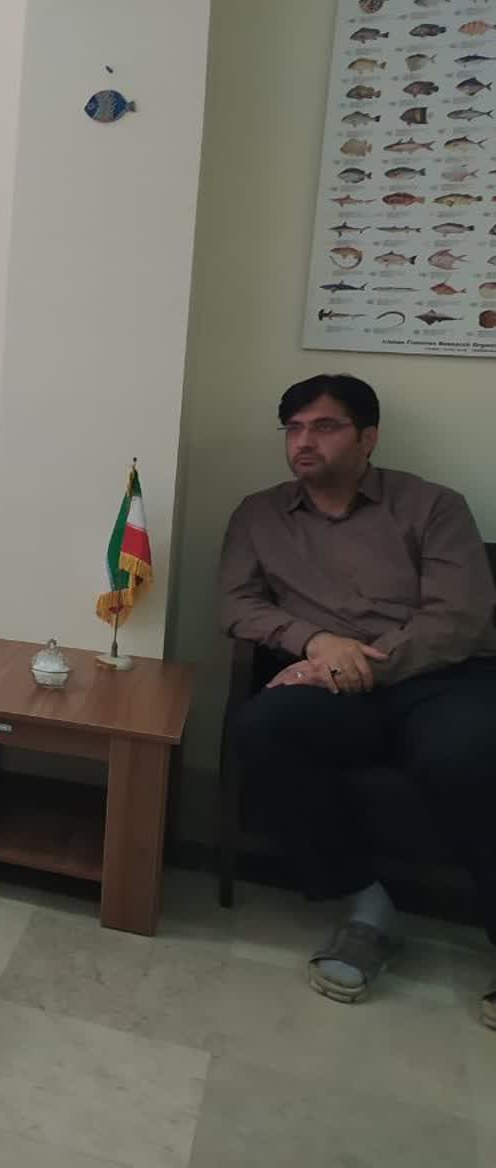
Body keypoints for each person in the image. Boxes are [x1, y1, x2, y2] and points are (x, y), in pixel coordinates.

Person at [220, 373, 496, 1027]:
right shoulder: (259, 514)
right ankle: (367, 907)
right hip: (331, 686)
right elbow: (236, 604)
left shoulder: (433, 506)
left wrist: (357, 665)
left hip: (440, 680)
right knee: (262, 726)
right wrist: (315, 642)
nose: (303, 442)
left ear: (367, 438)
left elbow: (459, 617)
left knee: (463, 755)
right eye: (293, 429)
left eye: (323, 427)